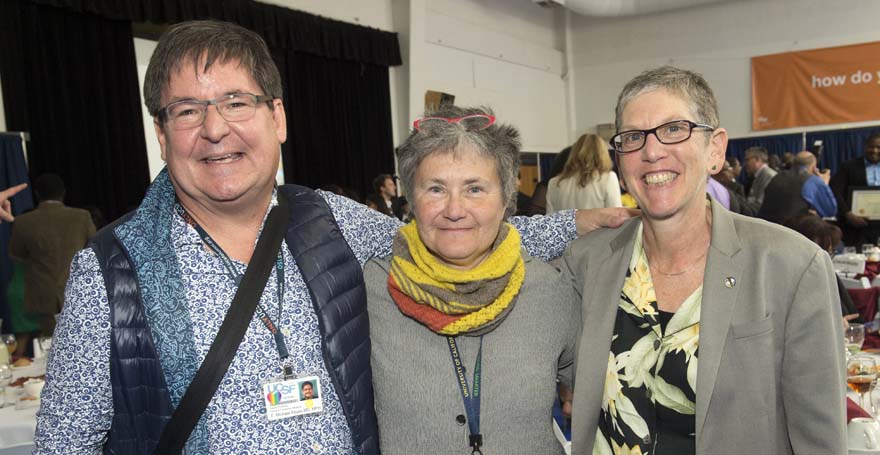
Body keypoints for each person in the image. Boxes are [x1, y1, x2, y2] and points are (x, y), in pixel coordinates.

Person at [33, 20, 631, 455]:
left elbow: (444, 232)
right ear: (162, 136)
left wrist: (572, 223)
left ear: (279, 118)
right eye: (187, 110)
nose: (215, 129)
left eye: (236, 102)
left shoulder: (329, 221)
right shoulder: (111, 273)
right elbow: (65, 443)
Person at [565, 66, 845, 455]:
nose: (651, 151)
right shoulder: (587, 262)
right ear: (620, 163)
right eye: (632, 137)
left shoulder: (791, 266)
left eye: (674, 129)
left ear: (715, 149)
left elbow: (820, 439)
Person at [365, 106, 580, 454]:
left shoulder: (550, 289)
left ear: (507, 198)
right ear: (412, 199)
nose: (454, 209)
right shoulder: (371, 290)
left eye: (475, 189)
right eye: (435, 189)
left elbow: (598, 403)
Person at [8, 174, 95, 336]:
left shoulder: (22, 221)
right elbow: (94, 249)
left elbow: (16, 253)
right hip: (79, 292)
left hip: (44, 295)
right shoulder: (81, 216)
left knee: (52, 348)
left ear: (37, 194)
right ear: (63, 192)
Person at [786, 214, 861, 326]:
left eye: (830, 253)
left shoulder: (826, 274)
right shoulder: (788, 286)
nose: (827, 259)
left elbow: (852, 318)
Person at [546, 133, 622, 212]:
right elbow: (616, 216)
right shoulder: (608, 178)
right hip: (597, 224)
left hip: (565, 224)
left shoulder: (554, 183)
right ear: (603, 153)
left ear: (574, 152)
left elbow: (550, 221)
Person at [758, 150, 837, 224]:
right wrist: (824, 184)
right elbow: (830, 211)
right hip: (794, 232)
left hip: (768, 229)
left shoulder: (777, 176)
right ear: (813, 168)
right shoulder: (813, 181)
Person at [830, 132, 880, 246]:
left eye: (878, 147)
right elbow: (835, 191)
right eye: (871, 146)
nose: (875, 150)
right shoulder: (848, 166)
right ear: (865, 146)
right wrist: (847, 213)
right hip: (855, 228)